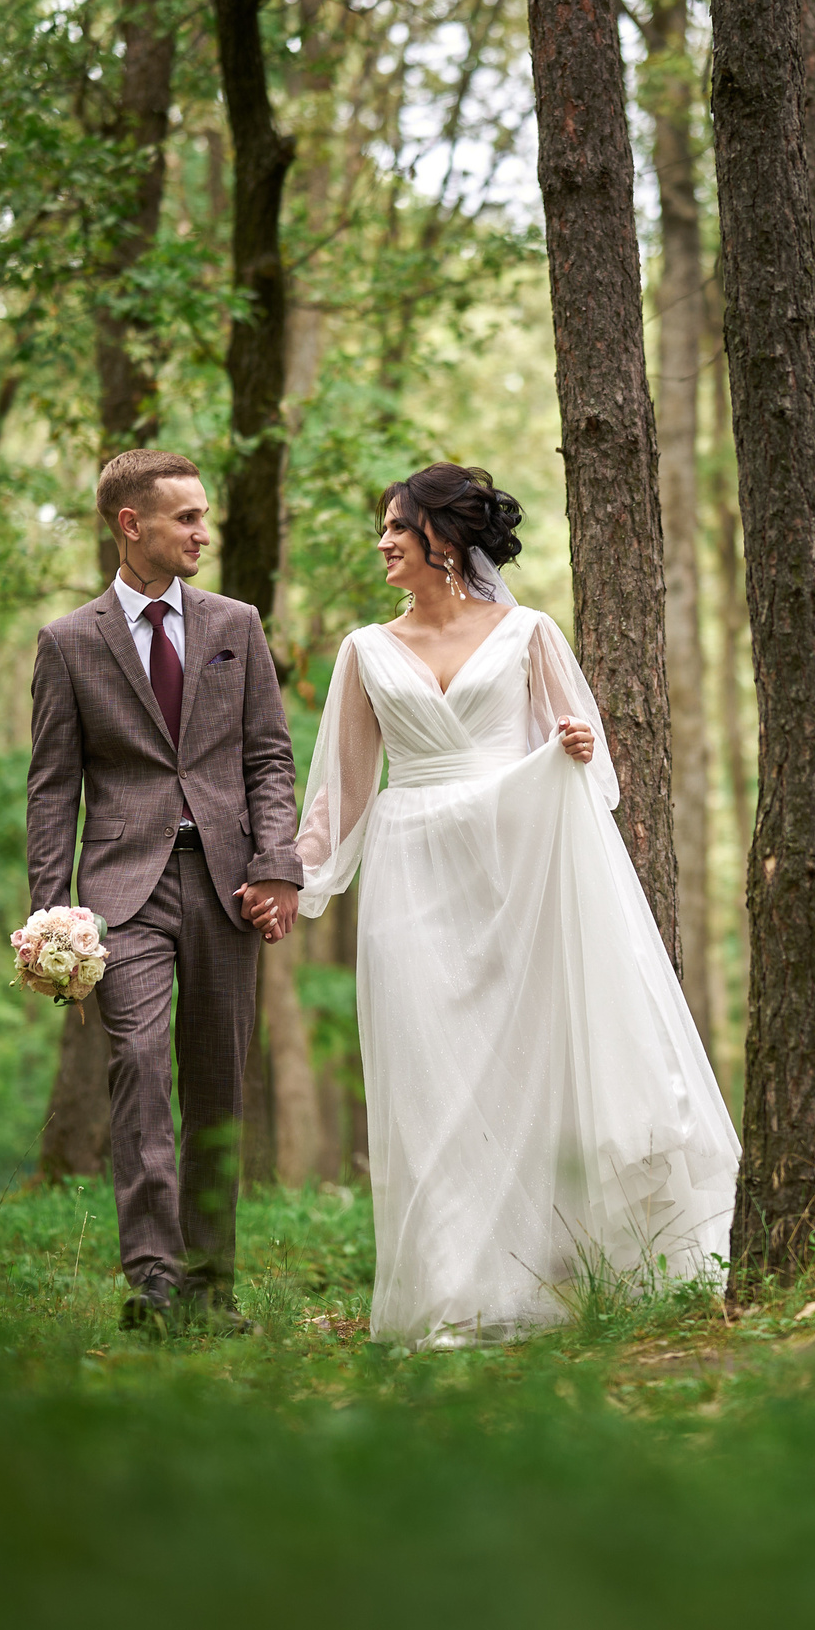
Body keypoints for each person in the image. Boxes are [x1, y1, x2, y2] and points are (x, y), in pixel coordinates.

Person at [292, 463, 738, 1347]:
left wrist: (571, 741)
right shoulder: (364, 651)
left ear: (443, 539)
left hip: (516, 871)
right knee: (433, 1083)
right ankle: (455, 1294)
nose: (381, 542)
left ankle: (548, 1279)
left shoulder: (530, 632)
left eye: (395, 527)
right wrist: (284, 878)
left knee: (521, 1074)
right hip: (412, 870)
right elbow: (337, 798)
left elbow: (591, 764)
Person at [26, 448, 304, 1334]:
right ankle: (153, 1283)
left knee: (218, 1085)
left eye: (204, 514)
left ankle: (212, 1288)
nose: (202, 531)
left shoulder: (237, 624)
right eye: (185, 517)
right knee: (139, 1067)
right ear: (130, 524)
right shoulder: (69, 642)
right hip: (122, 893)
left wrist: (277, 863)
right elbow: (52, 785)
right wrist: (50, 911)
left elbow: (267, 755)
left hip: (226, 886)